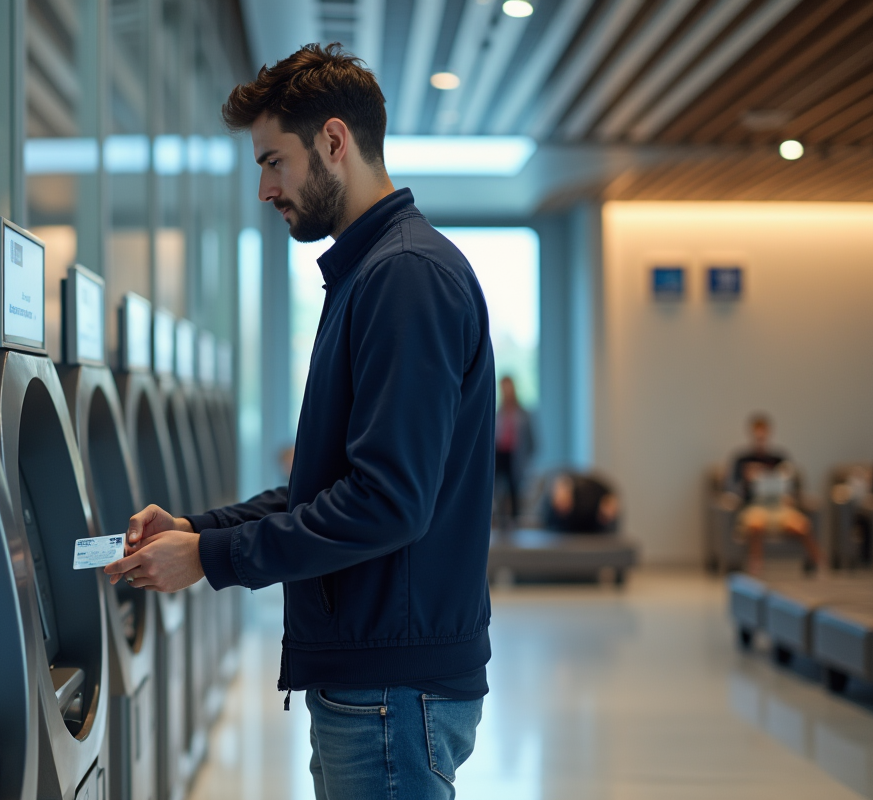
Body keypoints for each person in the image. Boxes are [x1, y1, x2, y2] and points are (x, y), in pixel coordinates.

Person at [104, 43, 494, 800]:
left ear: (334, 141)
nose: (265, 189)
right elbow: (332, 483)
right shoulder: (371, 274)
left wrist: (212, 558)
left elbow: (387, 503)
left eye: (273, 162)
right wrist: (196, 529)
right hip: (379, 677)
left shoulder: (403, 277)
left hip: (390, 687)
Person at [727, 413, 819, 575]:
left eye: (763, 435)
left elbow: (792, 484)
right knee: (756, 525)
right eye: (757, 436)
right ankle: (756, 569)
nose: (760, 439)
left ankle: (819, 564)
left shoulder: (779, 458)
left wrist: (789, 496)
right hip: (755, 506)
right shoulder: (742, 460)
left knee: (801, 526)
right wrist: (746, 480)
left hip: (780, 507)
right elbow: (731, 488)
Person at [493, 376, 535, 528]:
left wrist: (525, 460)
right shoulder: (498, 413)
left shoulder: (523, 414)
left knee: (514, 488)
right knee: (497, 488)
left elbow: (531, 442)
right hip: (499, 453)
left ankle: (515, 521)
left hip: (515, 456)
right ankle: (499, 519)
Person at [542, 471, 619, 533]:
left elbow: (610, 499)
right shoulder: (548, 511)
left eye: (563, 501)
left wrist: (606, 509)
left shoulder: (587, 493)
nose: (561, 506)